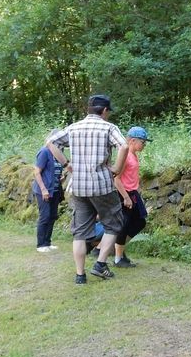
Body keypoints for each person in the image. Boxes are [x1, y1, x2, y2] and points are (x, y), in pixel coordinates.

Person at [47, 94, 128, 284]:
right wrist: (117, 168)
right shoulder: (108, 128)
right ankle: (100, 264)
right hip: (102, 186)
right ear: (105, 110)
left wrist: (66, 163)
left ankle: (80, 276)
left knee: (80, 233)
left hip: (79, 187)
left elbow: (50, 142)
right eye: (108, 111)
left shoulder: (73, 127)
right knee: (113, 224)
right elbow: (124, 146)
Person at [113, 126, 151, 267]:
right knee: (124, 224)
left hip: (133, 193)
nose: (144, 145)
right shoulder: (125, 156)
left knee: (140, 222)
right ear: (133, 140)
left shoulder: (133, 154)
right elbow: (116, 179)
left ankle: (119, 249)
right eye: (143, 142)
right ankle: (118, 258)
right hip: (125, 194)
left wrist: (136, 192)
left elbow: (131, 176)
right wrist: (126, 197)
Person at [32, 131, 66, 252]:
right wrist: (43, 189)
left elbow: (53, 171)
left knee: (52, 216)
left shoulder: (59, 154)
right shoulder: (44, 152)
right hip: (44, 190)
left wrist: (61, 178)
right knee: (45, 216)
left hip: (55, 190)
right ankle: (41, 245)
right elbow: (37, 172)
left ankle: (47, 242)